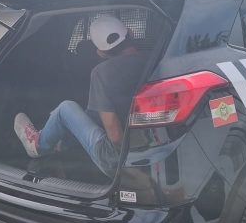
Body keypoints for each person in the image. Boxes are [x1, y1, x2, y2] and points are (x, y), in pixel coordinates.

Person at [13, 15, 146, 177]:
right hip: (148, 150)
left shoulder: (102, 73)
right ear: (130, 33)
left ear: (101, 53)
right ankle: (63, 144)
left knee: (66, 109)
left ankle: (37, 145)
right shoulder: (152, 60)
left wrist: (136, 173)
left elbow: (116, 137)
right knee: (88, 113)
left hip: (115, 158)